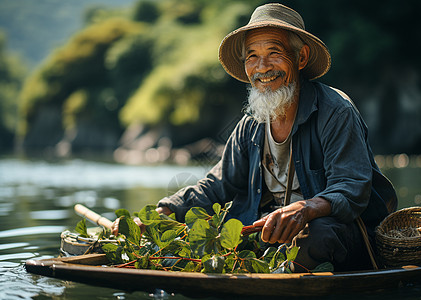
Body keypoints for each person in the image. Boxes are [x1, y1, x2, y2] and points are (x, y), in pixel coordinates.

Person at [112, 3, 397, 272]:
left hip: (338, 235)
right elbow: (217, 185)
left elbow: (351, 188)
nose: (262, 67)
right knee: (211, 236)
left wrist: (306, 209)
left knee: (318, 234)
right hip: (269, 239)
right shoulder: (251, 126)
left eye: (274, 52)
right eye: (252, 56)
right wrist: (163, 212)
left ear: (301, 58)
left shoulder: (336, 112)